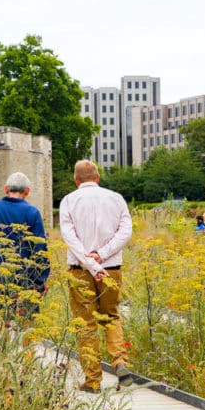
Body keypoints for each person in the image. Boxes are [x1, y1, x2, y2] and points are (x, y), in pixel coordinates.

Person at [59, 160, 135, 394]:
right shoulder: (116, 198)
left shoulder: (69, 201)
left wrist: (90, 263)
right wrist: (101, 256)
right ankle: (120, 362)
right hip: (110, 267)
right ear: (98, 177)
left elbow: (69, 237)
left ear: (76, 180)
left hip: (80, 269)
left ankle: (93, 380)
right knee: (111, 316)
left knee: (86, 323)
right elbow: (125, 232)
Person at [0, 171, 49, 325]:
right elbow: (40, 249)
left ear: (6, 189)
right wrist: (41, 279)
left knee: (3, 321)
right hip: (26, 278)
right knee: (27, 323)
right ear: (27, 191)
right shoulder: (32, 212)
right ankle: (27, 348)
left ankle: (2, 347)